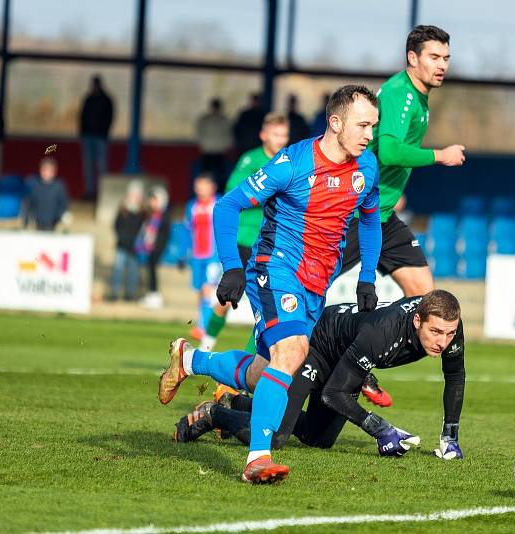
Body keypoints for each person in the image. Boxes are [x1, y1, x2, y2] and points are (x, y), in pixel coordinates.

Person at [158, 84, 383, 484]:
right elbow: (228, 204)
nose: (369, 135)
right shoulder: (292, 163)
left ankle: (190, 360)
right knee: (293, 352)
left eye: (373, 126)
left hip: (317, 284)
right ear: (335, 122)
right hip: (275, 269)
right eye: (363, 125)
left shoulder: (366, 169)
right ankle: (256, 459)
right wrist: (231, 267)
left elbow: (368, 219)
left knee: (265, 372)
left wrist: (366, 277)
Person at [174, 291, 465, 463]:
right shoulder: (382, 333)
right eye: (435, 332)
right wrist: (380, 429)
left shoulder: (450, 327)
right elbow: (332, 394)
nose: (442, 341)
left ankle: (238, 403)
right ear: (417, 320)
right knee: (275, 437)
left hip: (348, 356)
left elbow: (455, 376)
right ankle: (214, 415)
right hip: (318, 345)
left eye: (449, 333)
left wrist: (449, 435)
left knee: (319, 438)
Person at [341, 25, 465, 298]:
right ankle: (264, 342)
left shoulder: (418, 97)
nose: (442, 65)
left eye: (445, 58)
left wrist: (395, 190)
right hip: (355, 213)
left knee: (424, 296)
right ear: (412, 58)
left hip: (382, 213)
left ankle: (402, 342)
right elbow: (390, 152)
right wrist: (440, 155)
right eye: (434, 57)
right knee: (303, 294)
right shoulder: (402, 93)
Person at [199, 112, 290, 352]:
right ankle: (206, 345)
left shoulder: (288, 161)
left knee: (267, 304)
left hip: (271, 242)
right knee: (228, 298)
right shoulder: (250, 160)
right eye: (276, 134)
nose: (280, 139)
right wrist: (266, 191)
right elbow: (233, 193)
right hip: (244, 239)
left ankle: (252, 362)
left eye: (284, 135)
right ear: (263, 135)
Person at [185, 174, 220, 338]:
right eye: (197, 186)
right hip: (197, 255)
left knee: (208, 289)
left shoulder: (218, 204)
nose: (199, 189)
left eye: (203, 186)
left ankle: (204, 328)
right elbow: (188, 230)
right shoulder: (192, 206)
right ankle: (202, 324)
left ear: (212, 187)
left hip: (213, 255)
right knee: (200, 290)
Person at [108, 181, 145, 302]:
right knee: (118, 269)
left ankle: (130, 294)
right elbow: (116, 225)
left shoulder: (142, 212)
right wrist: (122, 237)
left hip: (135, 247)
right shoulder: (123, 209)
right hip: (122, 245)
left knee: (133, 271)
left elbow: (144, 229)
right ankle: (114, 292)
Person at [135, 186, 171, 309]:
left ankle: (154, 295)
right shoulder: (150, 214)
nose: (152, 202)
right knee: (149, 269)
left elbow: (164, 233)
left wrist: (156, 245)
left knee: (152, 269)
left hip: (157, 248)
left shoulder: (164, 215)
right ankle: (151, 293)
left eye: (154, 200)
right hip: (149, 247)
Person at [79, 75, 114, 200]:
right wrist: (83, 133)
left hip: (100, 137)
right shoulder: (88, 99)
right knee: (88, 167)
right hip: (88, 136)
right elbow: (82, 116)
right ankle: (90, 193)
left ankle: (102, 193)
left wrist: (104, 132)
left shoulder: (106, 100)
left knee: (102, 167)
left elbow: (110, 117)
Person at [195, 98, 231, 192]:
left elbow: (199, 134)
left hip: (208, 151)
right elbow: (228, 135)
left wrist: (202, 145)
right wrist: (225, 146)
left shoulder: (205, 119)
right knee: (220, 176)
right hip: (219, 151)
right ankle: (219, 194)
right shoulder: (224, 119)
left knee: (205, 176)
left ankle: (205, 192)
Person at [24, 157, 68, 231]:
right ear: (40, 170)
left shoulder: (59, 186)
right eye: (44, 170)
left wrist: (58, 218)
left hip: (53, 223)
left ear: (54, 172)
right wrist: (28, 220)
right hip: (36, 223)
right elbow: (28, 203)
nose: (47, 173)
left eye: (50, 171)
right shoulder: (33, 184)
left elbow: (63, 204)